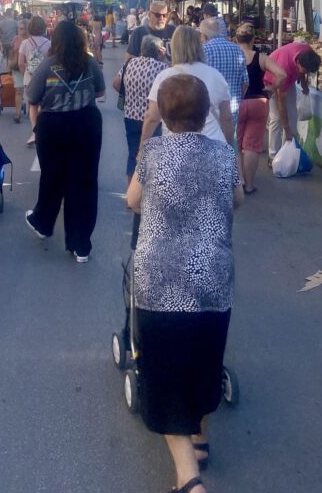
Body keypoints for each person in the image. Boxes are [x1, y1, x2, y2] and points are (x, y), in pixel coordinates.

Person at [127, 74, 242, 493]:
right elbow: (238, 199)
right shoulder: (223, 155)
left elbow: (133, 200)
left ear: (165, 113)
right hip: (212, 279)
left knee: (162, 373)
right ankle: (201, 438)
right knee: (204, 360)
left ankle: (188, 479)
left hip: (159, 281)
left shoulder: (154, 152)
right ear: (206, 111)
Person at [25, 21, 105, 262]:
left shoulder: (48, 64)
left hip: (54, 126)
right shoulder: (90, 62)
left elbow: (32, 97)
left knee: (52, 177)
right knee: (85, 182)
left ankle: (43, 222)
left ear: (56, 40)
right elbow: (100, 93)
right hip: (86, 124)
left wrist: (36, 127)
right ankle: (80, 245)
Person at [140, 26, 234, 149]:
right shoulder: (216, 75)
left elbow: (152, 117)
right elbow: (226, 118)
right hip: (212, 143)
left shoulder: (165, 77)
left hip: (176, 147)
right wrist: (228, 147)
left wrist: (142, 148)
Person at [235, 23, 286, 194]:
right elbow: (282, 74)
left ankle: (239, 183)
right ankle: (249, 185)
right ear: (253, 39)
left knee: (237, 143)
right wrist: (272, 88)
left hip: (238, 102)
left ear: (236, 39)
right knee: (252, 146)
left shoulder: (233, 55)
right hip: (259, 102)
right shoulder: (262, 57)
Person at [113, 35, 167, 178]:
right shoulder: (162, 67)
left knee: (133, 154)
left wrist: (131, 94)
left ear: (142, 49)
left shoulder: (129, 64)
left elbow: (116, 83)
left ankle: (131, 192)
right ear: (159, 51)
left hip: (130, 116)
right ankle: (148, 192)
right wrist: (164, 59)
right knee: (152, 156)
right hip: (153, 119)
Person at [265, 42, 322, 156]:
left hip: (288, 79)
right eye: (304, 71)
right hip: (271, 81)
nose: (305, 73)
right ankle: (273, 155)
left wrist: (304, 84)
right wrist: (287, 129)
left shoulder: (307, 52)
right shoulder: (283, 69)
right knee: (276, 118)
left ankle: (286, 152)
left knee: (292, 115)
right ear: (298, 63)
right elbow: (281, 103)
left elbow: (302, 71)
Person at [199, 19, 248, 118]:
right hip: (233, 109)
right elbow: (245, 83)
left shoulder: (203, 50)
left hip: (210, 111)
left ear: (203, 35)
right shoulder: (237, 49)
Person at [19, 15, 51, 145]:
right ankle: (45, 131)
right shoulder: (49, 44)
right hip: (46, 79)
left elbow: (21, 63)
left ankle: (35, 132)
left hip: (30, 79)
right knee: (44, 106)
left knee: (33, 105)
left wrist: (25, 74)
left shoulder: (25, 43)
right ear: (43, 28)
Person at [7, 19, 29, 124]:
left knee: (29, 91)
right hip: (17, 67)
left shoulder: (30, 40)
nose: (20, 30)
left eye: (22, 28)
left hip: (29, 68)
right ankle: (18, 114)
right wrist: (9, 66)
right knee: (19, 91)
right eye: (19, 28)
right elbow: (11, 53)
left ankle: (30, 112)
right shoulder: (16, 39)